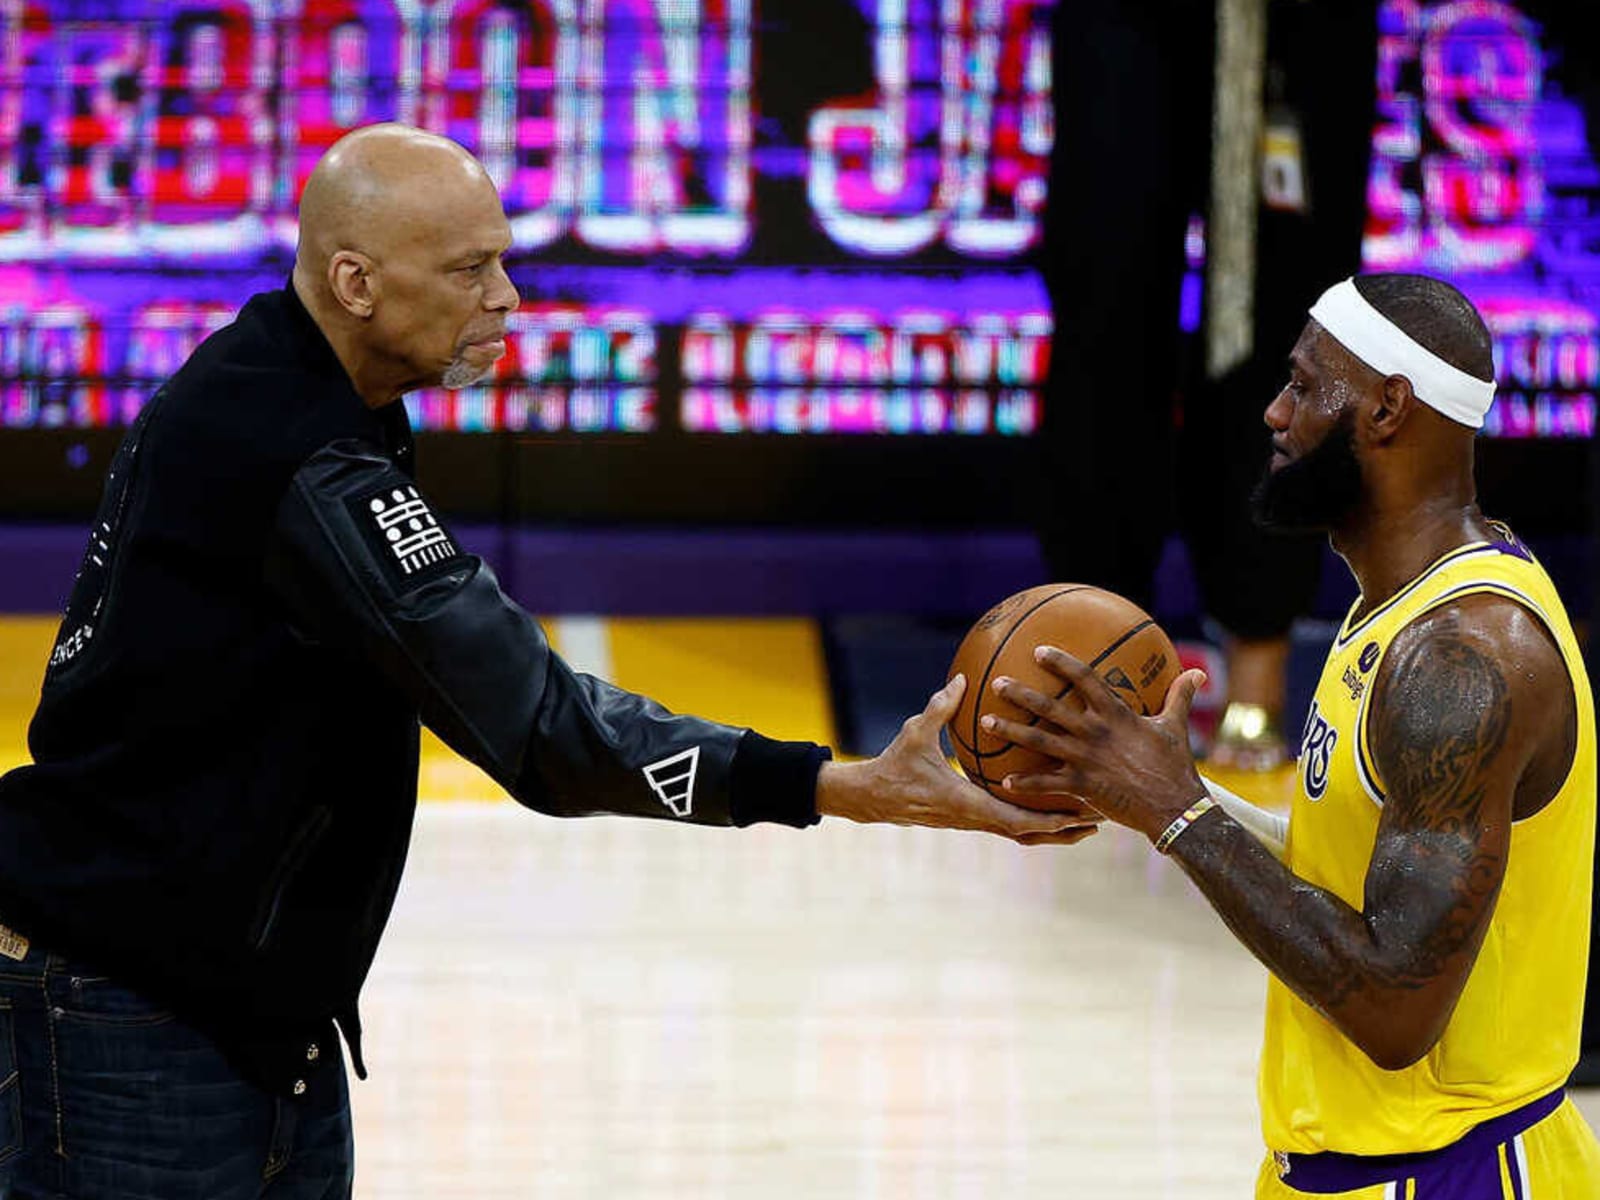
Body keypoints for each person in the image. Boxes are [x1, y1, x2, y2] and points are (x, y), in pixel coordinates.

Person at [0, 124, 1095, 1199]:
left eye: (505, 262)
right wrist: (834, 785)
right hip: (132, 1014)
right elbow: (538, 728)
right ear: (356, 281)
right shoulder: (303, 455)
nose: (508, 298)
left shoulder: (285, 381)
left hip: (215, 998)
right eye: (471, 268)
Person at [987, 273, 1600, 1195]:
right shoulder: (1396, 608)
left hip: (1448, 1170)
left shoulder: (1465, 659)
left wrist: (1178, 811)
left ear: (1390, 408)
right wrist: (1139, 782)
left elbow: (1396, 1008)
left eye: (1307, 386)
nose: (1276, 414)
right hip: (1340, 1161)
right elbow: (1349, 858)